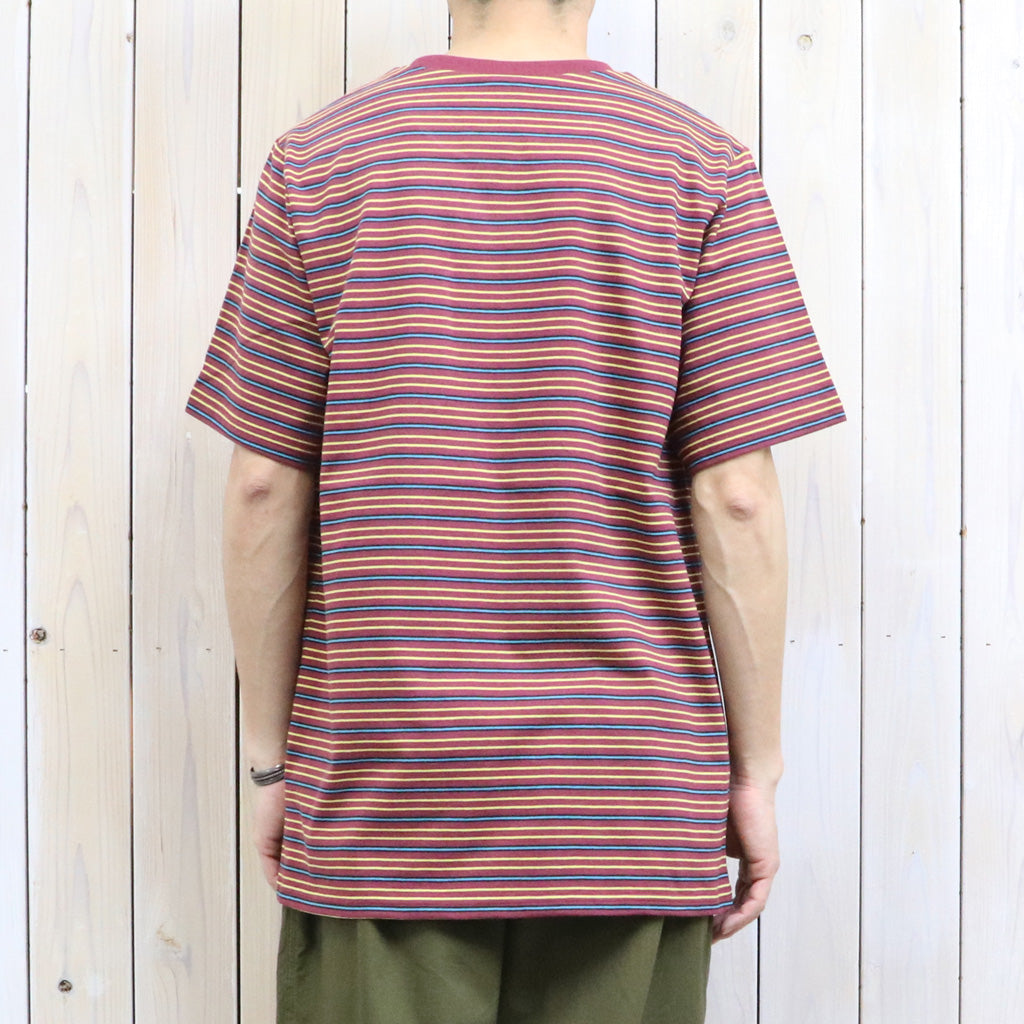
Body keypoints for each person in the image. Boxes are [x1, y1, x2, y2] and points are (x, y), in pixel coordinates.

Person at [187, 1, 844, 1020]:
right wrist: (754, 773)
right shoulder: (698, 164)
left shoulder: (318, 161)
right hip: (625, 795)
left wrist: (274, 763)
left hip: (386, 790)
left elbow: (264, 485)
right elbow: (739, 494)